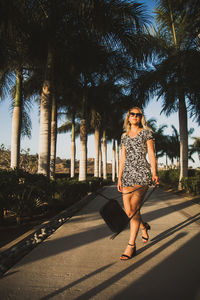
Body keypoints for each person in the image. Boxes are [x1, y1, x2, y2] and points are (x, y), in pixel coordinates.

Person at [117, 106, 159, 260]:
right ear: (128, 117)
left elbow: (152, 155)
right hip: (127, 175)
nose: (134, 116)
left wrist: (154, 173)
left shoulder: (147, 133)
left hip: (142, 174)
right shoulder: (124, 136)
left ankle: (131, 246)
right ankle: (143, 226)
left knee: (134, 209)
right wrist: (119, 177)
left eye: (138, 114)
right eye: (132, 114)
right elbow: (122, 158)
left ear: (141, 117)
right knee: (129, 212)